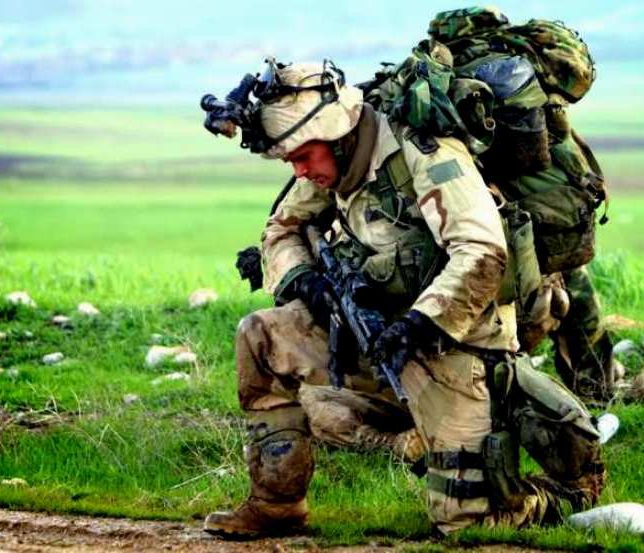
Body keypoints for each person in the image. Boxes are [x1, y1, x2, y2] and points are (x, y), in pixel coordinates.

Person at [203, 58, 605, 539]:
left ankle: (564, 497)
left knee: (464, 521)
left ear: (338, 136)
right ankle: (276, 505)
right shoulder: (328, 166)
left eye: (305, 155)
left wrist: (420, 324)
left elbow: (482, 250)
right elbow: (282, 228)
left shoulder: (426, 155)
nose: (300, 170)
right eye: (291, 160)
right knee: (260, 336)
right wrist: (303, 278)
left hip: (452, 346)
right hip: (370, 337)